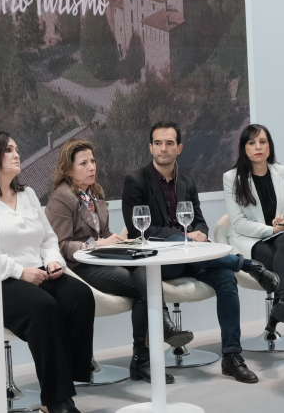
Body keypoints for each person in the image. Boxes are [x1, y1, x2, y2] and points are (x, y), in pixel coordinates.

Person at [122, 121, 280, 384]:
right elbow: (139, 230)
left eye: (169, 143)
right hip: (161, 262)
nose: (163, 148)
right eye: (158, 143)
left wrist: (198, 234)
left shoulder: (186, 181)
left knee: (226, 279)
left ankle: (232, 356)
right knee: (175, 236)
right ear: (150, 147)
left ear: (179, 148)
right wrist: (185, 237)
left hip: (194, 258)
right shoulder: (136, 181)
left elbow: (200, 221)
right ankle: (248, 265)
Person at [45, 139, 194, 385]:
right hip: (80, 267)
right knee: (142, 290)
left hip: (103, 260)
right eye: (83, 163)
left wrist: (114, 242)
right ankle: (145, 357)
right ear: (68, 169)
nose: (91, 167)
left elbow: (101, 233)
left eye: (92, 161)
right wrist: (98, 244)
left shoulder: (95, 192)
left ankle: (146, 354)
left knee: (146, 270)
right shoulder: (62, 197)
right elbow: (60, 246)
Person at [0, 132, 94, 413]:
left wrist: (52, 261)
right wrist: (19, 271)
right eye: (9, 150)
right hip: (2, 280)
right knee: (44, 308)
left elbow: (48, 238)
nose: (17, 154)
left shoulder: (26, 194)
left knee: (80, 296)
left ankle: (68, 380)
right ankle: (57, 399)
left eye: (17, 148)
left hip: (39, 271)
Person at [223, 124, 284, 364]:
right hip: (253, 240)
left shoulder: (281, 172)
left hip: (282, 238)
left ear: (270, 146)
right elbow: (238, 223)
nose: (258, 147)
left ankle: (280, 305)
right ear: (244, 148)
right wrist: (272, 229)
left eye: (263, 142)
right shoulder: (232, 178)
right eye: (252, 143)